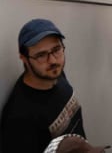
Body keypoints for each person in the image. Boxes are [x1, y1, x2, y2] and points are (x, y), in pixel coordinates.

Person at [1, 19, 86, 152]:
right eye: (41, 55)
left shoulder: (55, 74)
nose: (52, 60)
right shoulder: (19, 117)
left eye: (56, 49)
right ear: (24, 58)